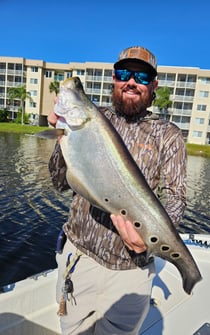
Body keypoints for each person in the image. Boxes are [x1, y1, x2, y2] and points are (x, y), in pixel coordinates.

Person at [48, 46, 187, 335]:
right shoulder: (92, 118)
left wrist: (148, 240)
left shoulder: (168, 135)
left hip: (131, 272)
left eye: (142, 76)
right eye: (124, 73)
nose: (131, 82)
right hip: (80, 258)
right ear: (114, 78)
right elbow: (59, 182)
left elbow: (176, 197)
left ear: (154, 85)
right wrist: (62, 138)